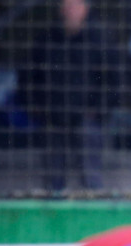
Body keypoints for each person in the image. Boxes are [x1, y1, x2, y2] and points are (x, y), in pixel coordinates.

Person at [24, 0, 111, 192]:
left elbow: (112, 80)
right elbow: (29, 77)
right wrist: (38, 108)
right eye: (68, 5)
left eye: (76, 5)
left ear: (85, 9)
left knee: (90, 166)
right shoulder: (46, 40)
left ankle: (93, 198)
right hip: (52, 115)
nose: (71, 10)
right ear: (61, 9)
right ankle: (54, 197)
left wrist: (98, 110)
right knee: (53, 171)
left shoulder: (100, 41)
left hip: (87, 115)